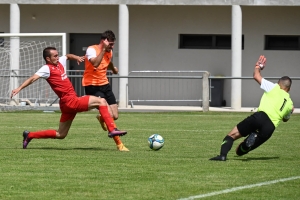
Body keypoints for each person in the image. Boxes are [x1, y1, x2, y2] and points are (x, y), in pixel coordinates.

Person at [11, 47, 127, 149]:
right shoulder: (46, 68)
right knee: (101, 101)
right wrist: (19, 88)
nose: (58, 57)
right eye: (55, 56)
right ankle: (112, 130)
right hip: (70, 101)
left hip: (66, 104)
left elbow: (67, 56)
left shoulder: (59, 62)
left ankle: (29, 135)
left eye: (57, 55)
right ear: (48, 59)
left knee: (61, 134)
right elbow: (32, 78)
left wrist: (76, 57)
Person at [210, 55, 294, 161]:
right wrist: (290, 112)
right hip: (270, 127)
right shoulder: (290, 104)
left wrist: (258, 66)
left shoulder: (274, 87)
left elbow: (256, 76)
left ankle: (222, 156)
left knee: (232, 135)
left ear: (279, 83)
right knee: (240, 151)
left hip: (260, 117)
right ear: (289, 89)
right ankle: (250, 140)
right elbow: (285, 119)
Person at [82, 30, 129, 152]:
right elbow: (96, 64)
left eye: (113, 45)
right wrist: (103, 50)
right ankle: (120, 145)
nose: (112, 47)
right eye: (111, 44)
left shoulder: (109, 51)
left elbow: (107, 62)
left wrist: (113, 69)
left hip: (105, 85)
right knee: (109, 115)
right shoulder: (91, 50)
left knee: (115, 115)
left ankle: (101, 117)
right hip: (92, 86)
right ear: (104, 41)